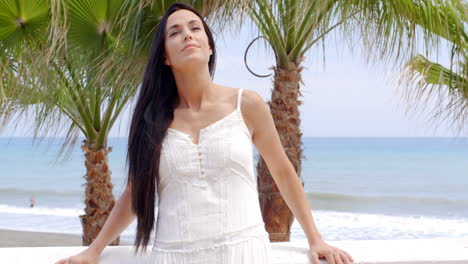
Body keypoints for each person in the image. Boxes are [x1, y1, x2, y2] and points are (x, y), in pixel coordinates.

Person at [55, 2, 354, 264]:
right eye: (174, 32)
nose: (187, 34)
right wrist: (93, 250)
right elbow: (136, 194)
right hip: (174, 256)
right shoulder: (153, 120)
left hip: (244, 253)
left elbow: (283, 172)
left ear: (209, 46)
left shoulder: (246, 105)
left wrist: (315, 238)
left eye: (195, 28)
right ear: (165, 57)